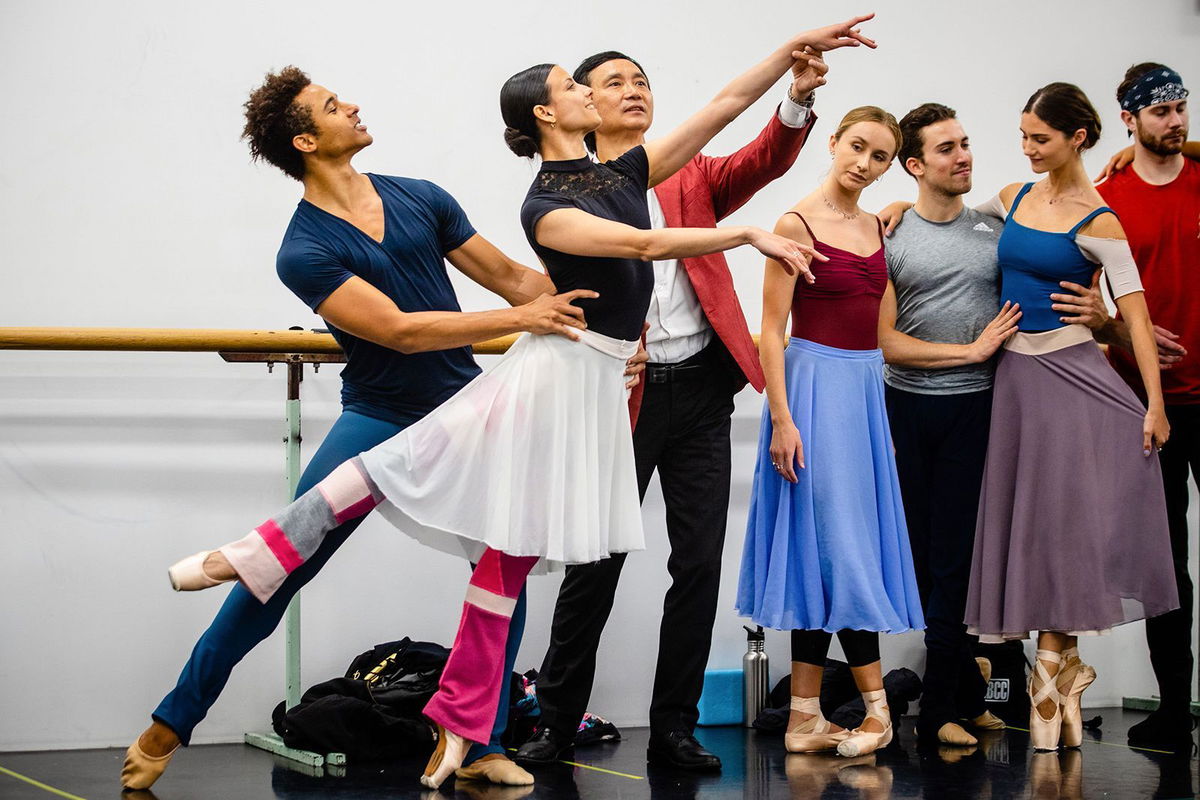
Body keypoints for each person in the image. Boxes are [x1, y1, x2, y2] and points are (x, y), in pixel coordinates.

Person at [164, 19, 870, 785]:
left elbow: (721, 107)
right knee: (393, 467)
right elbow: (632, 250)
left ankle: (468, 734)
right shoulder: (547, 204)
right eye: (575, 83)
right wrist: (746, 235)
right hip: (545, 379)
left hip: (597, 381)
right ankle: (241, 569)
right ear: (546, 111)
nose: (598, 90)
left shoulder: (620, 172)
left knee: (509, 556)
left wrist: (790, 53)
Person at [121, 65, 623, 791]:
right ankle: (173, 719)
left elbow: (518, 282)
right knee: (277, 568)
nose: (352, 105)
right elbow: (398, 331)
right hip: (379, 418)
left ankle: (478, 745)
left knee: (503, 568)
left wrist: (601, 330)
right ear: (305, 139)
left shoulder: (421, 198)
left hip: (465, 413)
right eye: (331, 105)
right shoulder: (304, 249)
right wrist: (521, 319)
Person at [517, 20, 871, 772]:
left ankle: (675, 725)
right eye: (613, 81)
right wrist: (744, 238)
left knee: (699, 562)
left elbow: (758, 155)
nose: (633, 89)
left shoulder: (686, 174)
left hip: (702, 386)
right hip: (621, 396)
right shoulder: (565, 198)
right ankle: (554, 720)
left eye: (641, 79)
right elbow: (627, 258)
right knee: (596, 562)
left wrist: (797, 101)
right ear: (577, 104)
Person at [962, 82, 1177, 752]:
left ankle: (1053, 687)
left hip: (1074, 384)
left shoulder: (1101, 221)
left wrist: (1155, 406)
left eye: (1040, 139)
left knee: (1063, 529)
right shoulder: (1012, 199)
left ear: (1078, 137)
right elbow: (952, 225)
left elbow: (1135, 319)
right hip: (1015, 384)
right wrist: (893, 212)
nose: (1027, 149)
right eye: (1022, 136)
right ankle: (1060, 681)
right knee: (1027, 527)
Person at [736, 105, 924, 760]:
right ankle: (878, 712)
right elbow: (769, 328)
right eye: (857, 147)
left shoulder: (880, 223)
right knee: (837, 552)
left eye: (879, 157)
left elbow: (880, 330)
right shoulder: (796, 223)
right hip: (812, 391)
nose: (864, 164)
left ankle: (803, 719)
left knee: (830, 557)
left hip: (865, 393)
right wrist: (782, 419)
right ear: (836, 142)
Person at [878, 102, 1017, 747]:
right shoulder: (890, 236)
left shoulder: (991, 227)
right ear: (914, 165)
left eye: (965, 143)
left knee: (958, 556)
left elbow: (1055, 190)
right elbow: (890, 346)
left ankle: (941, 709)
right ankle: (956, 692)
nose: (963, 155)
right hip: (907, 408)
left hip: (974, 409)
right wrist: (969, 350)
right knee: (926, 559)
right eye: (946, 149)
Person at [1093, 63, 1199, 747]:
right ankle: (1172, 711)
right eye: (1161, 111)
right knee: (1167, 567)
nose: (1177, 120)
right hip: (1147, 406)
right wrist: (1110, 328)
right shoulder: (1105, 197)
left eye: (1181, 107)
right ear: (1129, 119)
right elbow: (1078, 296)